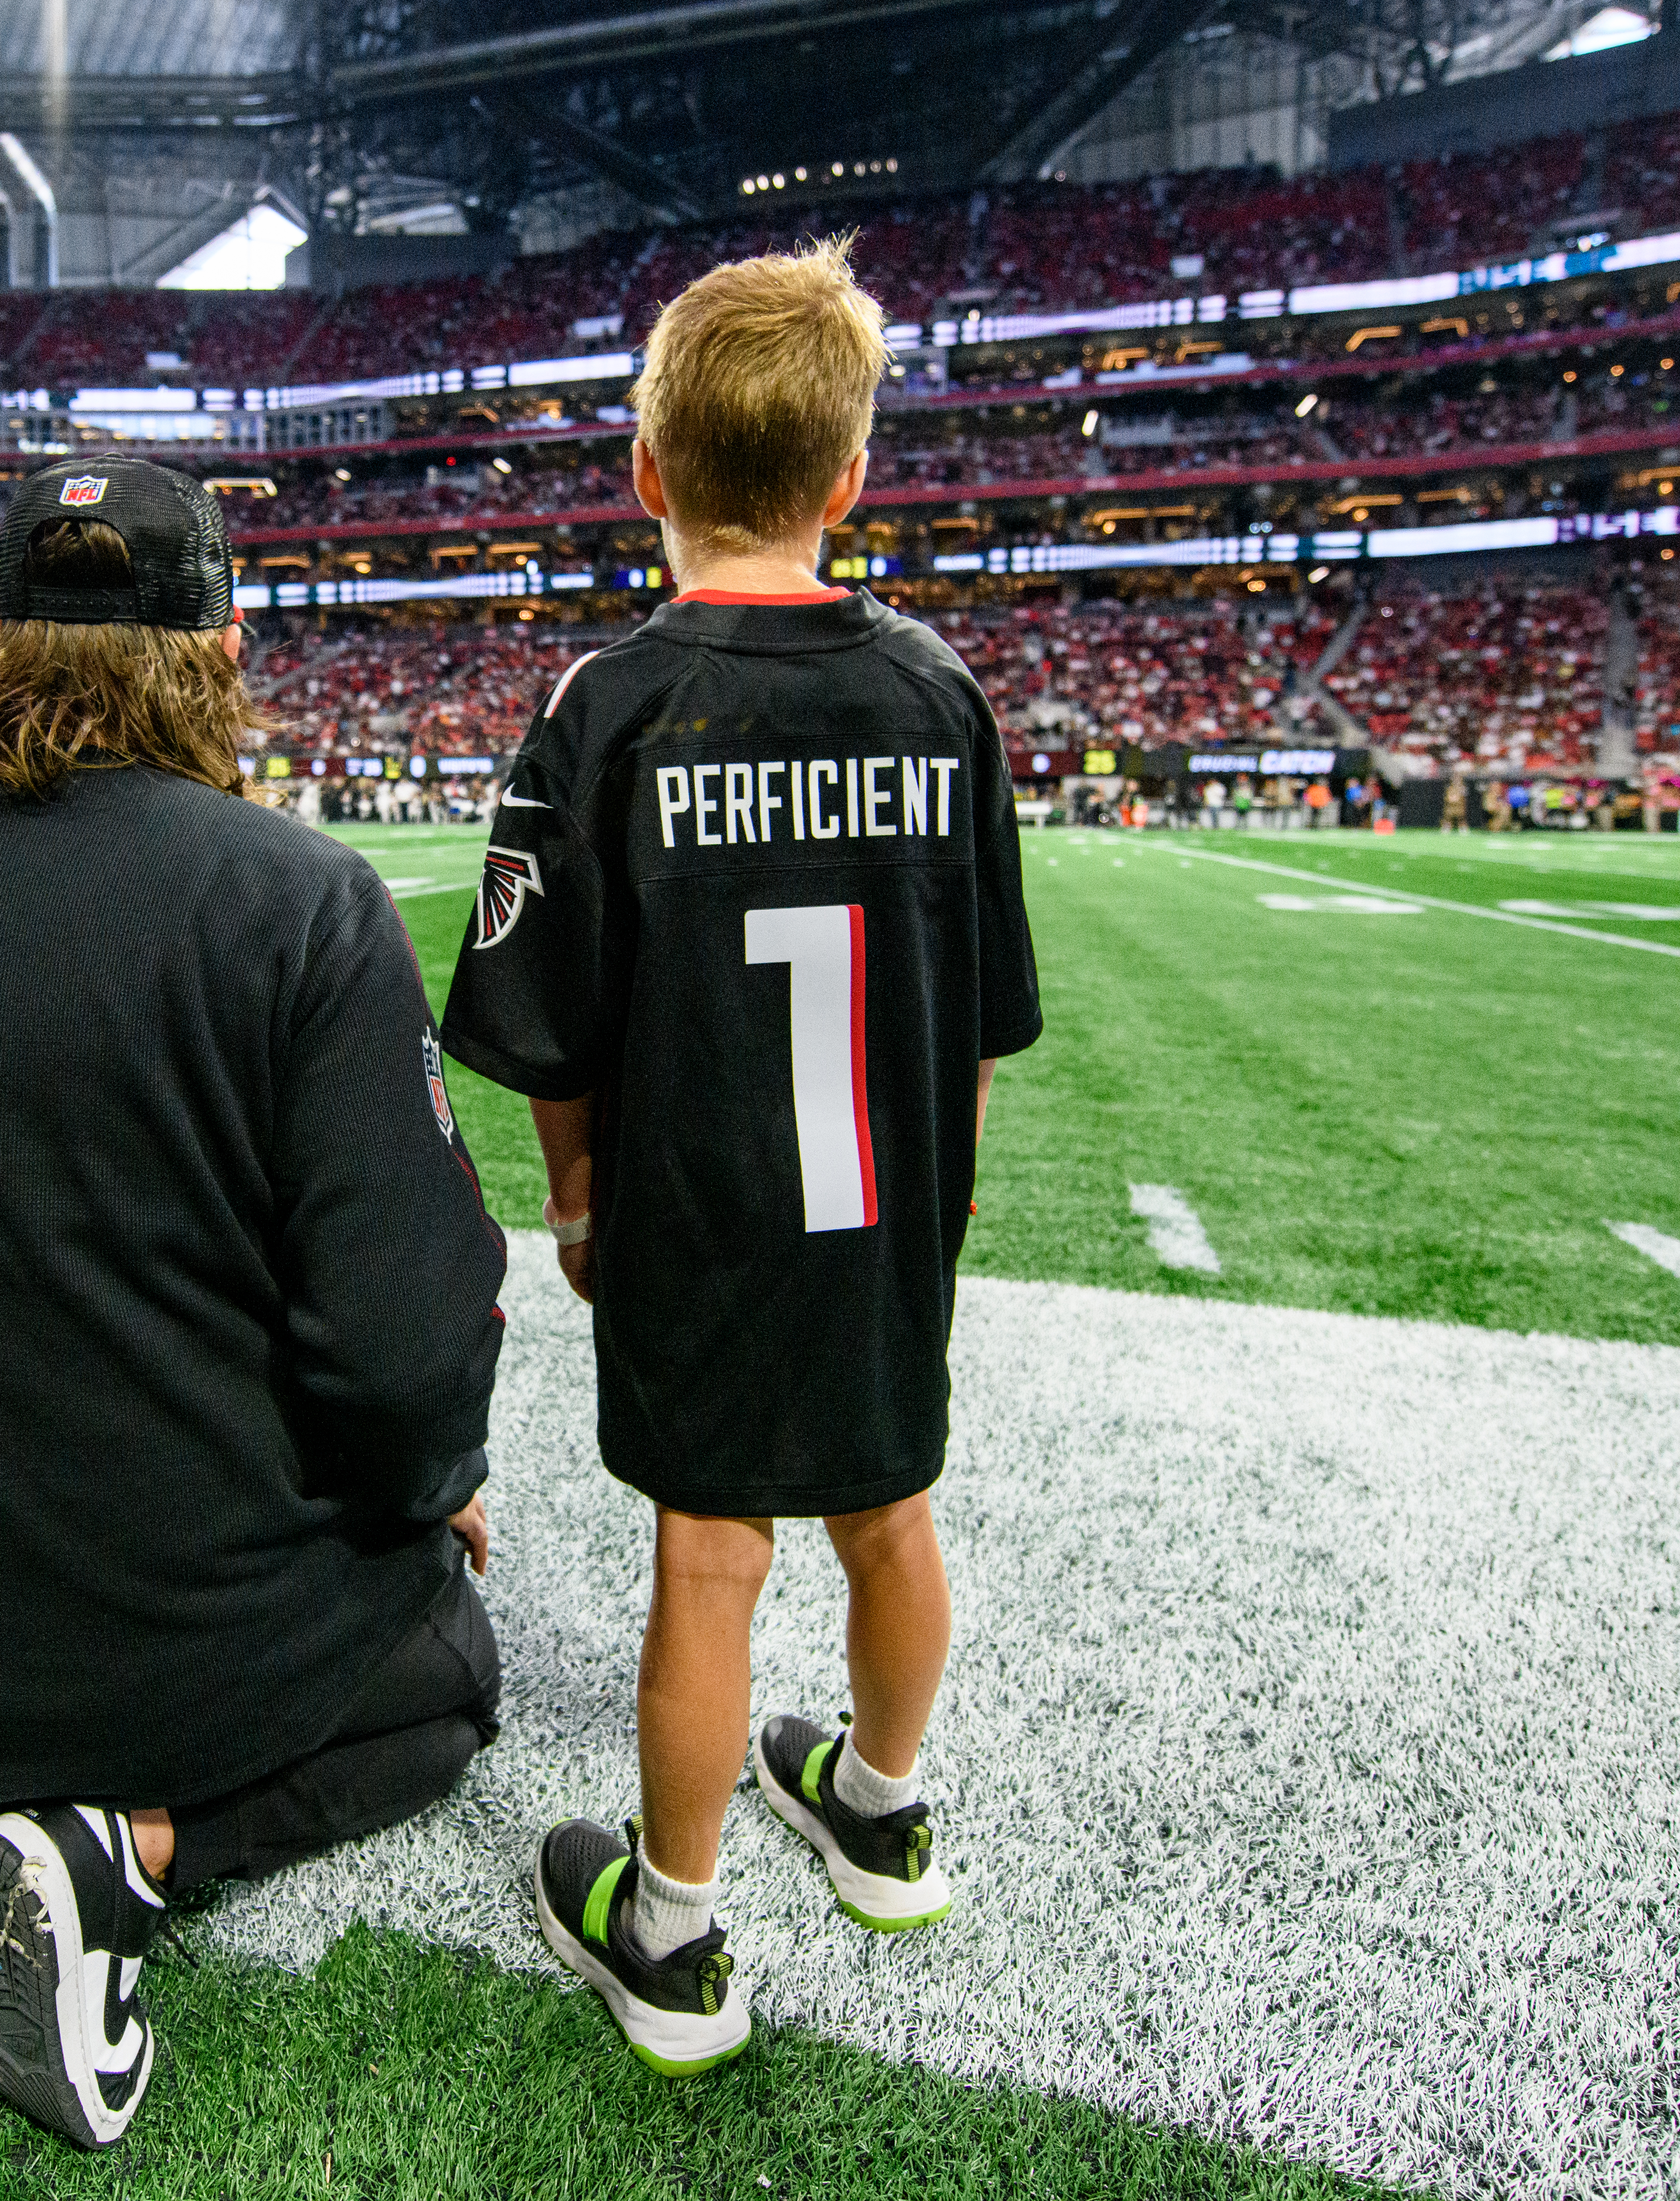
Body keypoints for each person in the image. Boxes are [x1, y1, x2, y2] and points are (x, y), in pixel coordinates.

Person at [0, 456, 507, 2150]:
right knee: (442, 1672)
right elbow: (402, 1343)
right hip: (139, 1611)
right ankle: (113, 1849)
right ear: (221, 648)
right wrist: (430, 1494)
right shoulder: (294, 899)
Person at [439, 239, 1043, 2076]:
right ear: (851, 477)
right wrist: (928, 1222)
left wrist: (576, 1197)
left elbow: (541, 1026)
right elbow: (983, 1018)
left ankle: (675, 1933)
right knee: (886, 1515)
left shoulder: (601, 709)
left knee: (710, 1563)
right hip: (877, 1215)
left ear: (645, 470)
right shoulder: (939, 697)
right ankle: (875, 1804)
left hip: (696, 1217)